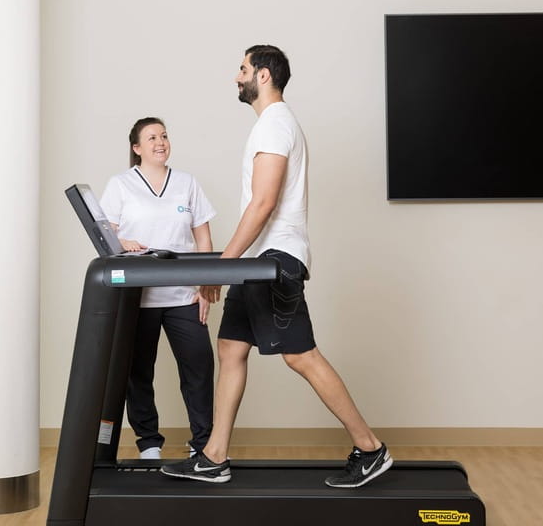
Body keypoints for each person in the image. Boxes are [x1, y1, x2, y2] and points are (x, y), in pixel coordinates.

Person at [161, 46, 392, 488]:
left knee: (299, 354)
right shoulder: (272, 125)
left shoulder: (275, 125)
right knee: (231, 348)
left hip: (273, 261)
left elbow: (264, 203)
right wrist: (233, 264)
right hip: (255, 261)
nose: (237, 77)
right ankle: (214, 456)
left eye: (243, 69)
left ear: (263, 76)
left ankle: (371, 449)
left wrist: (220, 268)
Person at [100, 117, 217, 460]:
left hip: (183, 294)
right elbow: (107, 237)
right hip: (139, 297)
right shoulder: (121, 184)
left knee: (199, 368)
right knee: (138, 372)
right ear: (137, 148)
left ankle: (204, 444)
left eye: (164, 135)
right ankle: (149, 443)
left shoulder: (186, 183)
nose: (160, 142)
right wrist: (125, 242)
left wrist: (205, 284)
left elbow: (203, 235)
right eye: (151, 138)